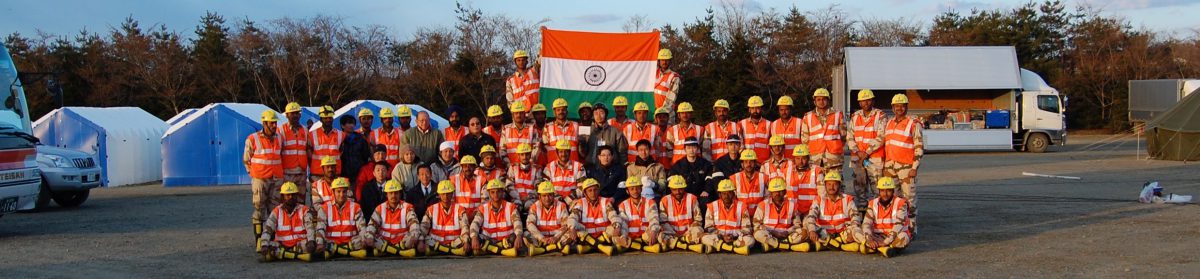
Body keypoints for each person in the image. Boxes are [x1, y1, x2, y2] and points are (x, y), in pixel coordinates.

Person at [884, 94, 924, 233]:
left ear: (906, 107)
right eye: (896, 106)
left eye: (902, 106)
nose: (899, 108)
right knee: (892, 197)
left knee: (909, 198)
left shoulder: (913, 124)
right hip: (890, 167)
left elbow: (919, 147)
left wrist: (914, 167)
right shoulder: (888, 123)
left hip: (906, 167)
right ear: (892, 107)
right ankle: (897, 224)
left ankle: (911, 227)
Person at [803, 171, 863, 253]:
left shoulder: (847, 199)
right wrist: (812, 231)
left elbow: (855, 218)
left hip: (843, 233)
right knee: (807, 223)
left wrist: (852, 232)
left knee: (856, 230)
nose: (832, 187)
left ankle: (825, 245)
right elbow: (811, 216)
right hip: (825, 234)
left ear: (839, 185)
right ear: (825, 185)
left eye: (835, 184)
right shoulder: (819, 199)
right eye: (829, 184)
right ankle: (842, 246)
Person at [246, 110, 283, 238]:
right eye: (271, 123)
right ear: (264, 123)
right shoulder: (253, 138)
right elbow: (247, 159)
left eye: (275, 123)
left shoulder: (279, 138)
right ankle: (259, 239)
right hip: (260, 179)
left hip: (276, 178)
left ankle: (272, 237)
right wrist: (255, 175)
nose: (274, 125)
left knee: (275, 209)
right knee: (259, 208)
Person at [258, 182, 318, 262]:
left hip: (300, 244)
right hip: (281, 245)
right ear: (282, 197)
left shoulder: (304, 210)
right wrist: (264, 244)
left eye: (293, 195)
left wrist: (311, 241)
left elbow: (310, 227)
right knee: (263, 245)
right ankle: (295, 255)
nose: (291, 197)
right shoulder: (277, 211)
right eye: (288, 195)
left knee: (316, 244)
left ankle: (283, 255)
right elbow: (267, 229)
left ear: (297, 196)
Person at [848, 89, 886, 208]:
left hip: (874, 158)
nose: (866, 103)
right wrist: (857, 151)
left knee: (877, 189)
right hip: (858, 158)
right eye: (863, 101)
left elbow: (882, 136)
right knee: (860, 189)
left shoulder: (880, 115)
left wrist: (867, 152)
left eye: (869, 100)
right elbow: (850, 136)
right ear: (859, 103)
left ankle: (877, 214)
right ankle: (863, 212)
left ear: (873, 101)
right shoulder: (855, 116)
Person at [470, 179, 527, 257]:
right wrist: (474, 237)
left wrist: (519, 236)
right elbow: (475, 224)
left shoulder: (511, 207)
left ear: (502, 192)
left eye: (498, 192)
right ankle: (503, 251)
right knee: (474, 238)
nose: (496, 194)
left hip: (506, 241)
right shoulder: (483, 208)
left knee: (518, 237)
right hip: (489, 240)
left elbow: (517, 222)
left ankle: (492, 250)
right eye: (492, 192)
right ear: (489, 194)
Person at [315, 177, 370, 259]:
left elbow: (362, 228)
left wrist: (364, 240)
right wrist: (319, 243)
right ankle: (347, 252)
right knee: (320, 242)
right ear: (333, 192)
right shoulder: (324, 208)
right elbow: (320, 229)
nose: (341, 195)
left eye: (344, 192)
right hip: (331, 243)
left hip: (351, 243)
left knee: (365, 240)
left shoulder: (355, 207)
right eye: (338, 191)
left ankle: (336, 252)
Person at [857, 177, 911, 258]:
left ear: (893, 191)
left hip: (894, 236)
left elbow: (898, 225)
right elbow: (866, 223)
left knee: (904, 237)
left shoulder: (901, 203)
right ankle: (885, 249)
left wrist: (886, 242)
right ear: (879, 191)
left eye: (888, 191)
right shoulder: (872, 203)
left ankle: (875, 248)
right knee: (858, 231)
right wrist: (869, 238)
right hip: (877, 236)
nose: (885, 194)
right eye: (882, 191)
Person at [568, 178, 624, 256]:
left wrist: (617, 227)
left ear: (598, 190)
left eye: (595, 190)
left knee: (616, 226)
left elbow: (613, 215)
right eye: (590, 190)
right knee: (574, 228)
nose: (593, 193)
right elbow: (573, 217)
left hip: (603, 235)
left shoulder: (605, 201)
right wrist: (572, 228)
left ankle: (588, 248)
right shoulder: (581, 202)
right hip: (587, 234)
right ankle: (600, 247)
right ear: (585, 193)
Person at [753, 178, 810, 252]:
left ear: (785, 192)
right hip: (769, 235)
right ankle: (788, 246)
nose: (777, 194)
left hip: (787, 235)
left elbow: (797, 225)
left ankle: (773, 246)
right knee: (757, 233)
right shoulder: (762, 205)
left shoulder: (792, 205)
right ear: (770, 193)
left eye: (780, 191)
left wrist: (787, 232)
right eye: (774, 191)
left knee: (804, 232)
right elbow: (756, 225)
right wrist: (772, 232)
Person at [368, 180, 422, 257]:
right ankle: (400, 252)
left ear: (400, 194)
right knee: (369, 238)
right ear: (386, 194)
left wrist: (413, 236)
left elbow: (414, 225)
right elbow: (371, 225)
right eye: (391, 193)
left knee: (414, 237)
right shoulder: (380, 208)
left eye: (396, 193)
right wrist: (370, 237)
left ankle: (386, 251)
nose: (393, 195)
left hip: (402, 242)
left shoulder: (407, 207)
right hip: (384, 241)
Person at [701, 179, 754, 255]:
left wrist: (734, 236)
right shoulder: (712, 206)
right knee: (704, 237)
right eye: (724, 193)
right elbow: (708, 228)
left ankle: (719, 247)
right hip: (719, 238)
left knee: (750, 240)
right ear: (720, 195)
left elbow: (747, 228)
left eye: (729, 193)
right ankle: (733, 248)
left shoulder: (741, 206)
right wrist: (722, 236)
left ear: (733, 193)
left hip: (736, 238)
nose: (727, 196)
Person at [525, 181, 579, 255]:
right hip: (541, 238)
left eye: (550, 195)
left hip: (557, 238)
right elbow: (530, 224)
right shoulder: (534, 207)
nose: (547, 198)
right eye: (544, 196)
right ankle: (557, 248)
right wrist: (542, 238)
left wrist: (555, 237)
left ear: (554, 195)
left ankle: (542, 249)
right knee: (526, 234)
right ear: (539, 196)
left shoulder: (561, 205)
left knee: (571, 232)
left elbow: (565, 225)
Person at [800, 88, 847, 171]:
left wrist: (835, 148)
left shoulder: (838, 115)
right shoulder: (808, 117)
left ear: (828, 100)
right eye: (818, 99)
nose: (821, 102)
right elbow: (805, 140)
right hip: (815, 159)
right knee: (817, 183)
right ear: (814, 101)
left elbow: (844, 136)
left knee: (835, 183)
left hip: (834, 159)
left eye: (824, 99)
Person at [658, 176, 707, 253]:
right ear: (670, 189)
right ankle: (687, 245)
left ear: (684, 188)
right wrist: (674, 234)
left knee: (698, 230)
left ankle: (675, 244)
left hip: (689, 233)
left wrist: (686, 233)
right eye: (675, 189)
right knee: (660, 235)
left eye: (680, 189)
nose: (678, 192)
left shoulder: (692, 198)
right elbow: (663, 222)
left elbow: (698, 220)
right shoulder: (664, 200)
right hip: (671, 233)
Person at [613, 177, 663, 253]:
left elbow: (654, 219)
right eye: (632, 189)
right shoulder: (623, 205)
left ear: (641, 189)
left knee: (658, 233)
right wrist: (623, 236)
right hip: (630, 236)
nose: (635, 191)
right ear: (627, 191)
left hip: (646, 236)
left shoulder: (650, 202)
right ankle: (644, 248)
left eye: (637, 188)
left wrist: (653, 231)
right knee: (616, 236)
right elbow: (624, 223)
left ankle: (632, 246)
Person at [422, 180, 471, 256]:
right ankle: (450, 251)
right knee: (424, 238)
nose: (445, 196)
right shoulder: (431, 209)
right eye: (443, 194)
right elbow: (423, 227)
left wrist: (466, 242)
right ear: (439, 195)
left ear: (452, 194)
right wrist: (420, 241)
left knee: (465, 239)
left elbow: (465, 227)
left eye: (448, 194)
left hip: (454, 243)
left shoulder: (460, 209)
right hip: (435, 242)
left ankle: (440, 251)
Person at [279, 103, 310, 205]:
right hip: (287, 173)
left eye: (297, 113)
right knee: (287, 201)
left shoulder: (305, 131)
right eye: (292, 113)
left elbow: (308, 150)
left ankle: (301, 220)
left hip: (301, 172)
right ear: (287, 115)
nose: (295, 115)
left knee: (301, 200)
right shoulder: (281, 131)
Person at [668, 137, 713, 207]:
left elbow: (709, 179)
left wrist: (706, 191)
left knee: (706, 200)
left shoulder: (705, 164)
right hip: (684, 194)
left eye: (694, 147)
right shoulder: (677, 165)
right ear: (685, 149)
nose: (691, 150)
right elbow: (671, 181)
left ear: (697, 148)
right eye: (688, 148)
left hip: (701, 194)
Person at [582, 103, 629, 168]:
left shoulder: (615, 131)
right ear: (592, 116)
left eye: (601, 113)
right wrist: (581, 144)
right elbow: (583, 153)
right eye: (596, 113)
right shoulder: (588, 131)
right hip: (592, 168)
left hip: (611, 169)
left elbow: (622, 153)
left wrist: (622, 168)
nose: (598, 116)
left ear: (606, 114)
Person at [544, 139, 586, 204]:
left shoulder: (579, 167)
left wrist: (568, 199)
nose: (563, 154)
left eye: (566, 151)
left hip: (573, 201)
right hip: (554, 201)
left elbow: (582, 187)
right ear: (557, 152)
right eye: (561, 152)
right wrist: (557, 199)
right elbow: (545, 186)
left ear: (569, 152)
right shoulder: (549, 167)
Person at [500, 101, 540, 167]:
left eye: (521, 113)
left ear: (524, 114)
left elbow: (536, 148)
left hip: (528, 168)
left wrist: (527, 165)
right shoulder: (505, 129)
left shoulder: (532, 128)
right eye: (516, 113)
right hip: (511, 169)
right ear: (513, 115)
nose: (519, 115)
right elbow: (502, 150)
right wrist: (509, 165)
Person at [786, 145, 823, 214]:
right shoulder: (787, 171)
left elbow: (821, 195)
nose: (800, 161)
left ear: (808, 158)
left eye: (803, 158)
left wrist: (813, 211)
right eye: (798, 158)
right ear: (794, 159)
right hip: (792, 212)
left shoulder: (816, 171)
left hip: (810, 211)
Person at [310, 105, 344, 178]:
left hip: (335, 173)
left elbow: (342, 153)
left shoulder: (341, 135)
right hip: (317, 173)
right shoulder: (312, 134)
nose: (328, 120)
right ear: (321, 119)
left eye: (330, 118)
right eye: (325, 118)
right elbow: (308, 155)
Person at [543, 98, 581, 163]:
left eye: (563, 109)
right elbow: (543, 149)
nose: (561, 112)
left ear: (567, 111)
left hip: (573, 166)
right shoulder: (547, 127)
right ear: (554, 112)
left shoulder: (576, 126)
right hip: (554, 167)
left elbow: (582, 147)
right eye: (558, 110)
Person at [730, 150, 767, 215]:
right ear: (742, 164)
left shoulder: (764, 178)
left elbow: (768, 200)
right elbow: (732, 201)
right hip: (741, 216)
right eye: (746, 162)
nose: (748, 164)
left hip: (759, 216)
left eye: (751, 162)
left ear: (755, 163)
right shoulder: (734, 178)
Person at [506, 143, 542, 209]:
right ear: (518, 156)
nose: (525, 157)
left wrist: (528, 197)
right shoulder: (513, 167)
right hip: (516, 197)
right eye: (522, 154)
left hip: (531, 198)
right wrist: (518, 197)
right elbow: (509, 186)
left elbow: (538, 187)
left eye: (527, 154)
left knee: (530, 206)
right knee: (515, 207)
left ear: (530, 154)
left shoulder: (537, 168)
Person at [339, 115, 372, 180]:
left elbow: (365, 156)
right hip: (342, 175)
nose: (352, 126)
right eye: (349, 123)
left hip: (359, 174)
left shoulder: (361, 139)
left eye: (353, 123)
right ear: (342, 126)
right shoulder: (339, 139)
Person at [739, 96, 771, 163]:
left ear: (761, 109)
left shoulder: (769, 124)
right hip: (748, 163)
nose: (755, 111)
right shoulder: (741, 124)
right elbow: (740, 145)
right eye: (752, 108)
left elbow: (772, 146)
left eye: (757, 108)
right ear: (749, 109)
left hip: (764, 162)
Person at [653, 48, 681, 120]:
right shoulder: (653, 73)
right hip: (652, 113)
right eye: (662, 60)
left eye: (667, 60)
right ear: (658, 61)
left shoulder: (674, 77)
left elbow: (670, 100)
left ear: (670, 61)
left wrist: (660, 114)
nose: (664, 62)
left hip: (666, 115)